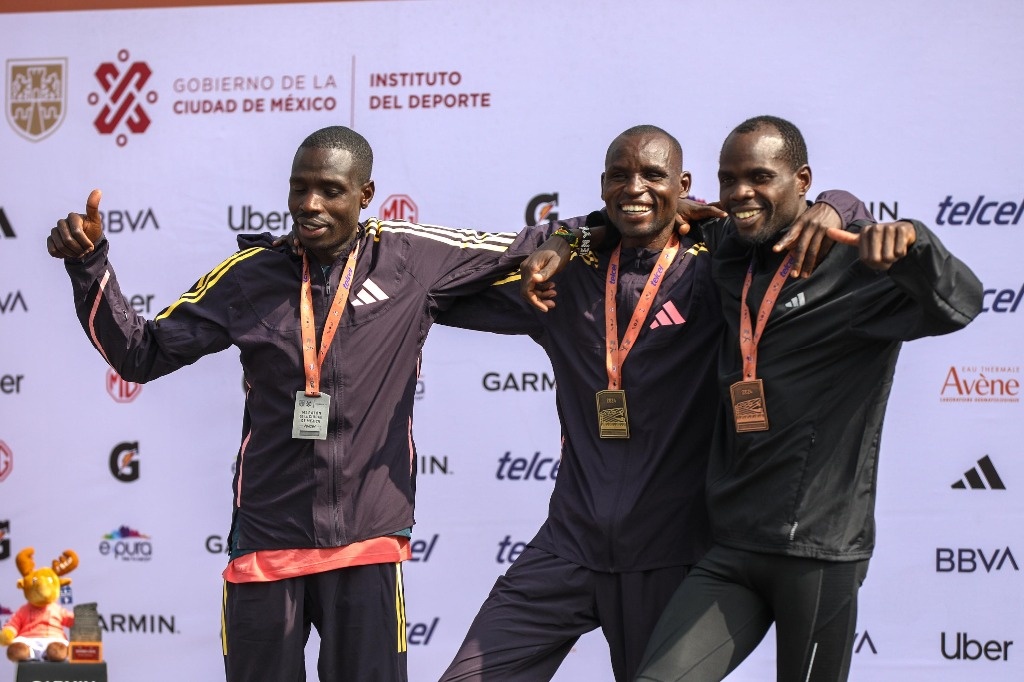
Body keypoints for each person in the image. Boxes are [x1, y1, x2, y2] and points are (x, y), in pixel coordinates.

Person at [44, 126, 586, 682]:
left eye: (329, 189)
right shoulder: (249, 277)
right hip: (267, 545)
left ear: (365, 194)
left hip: (367, 548)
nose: (310, 204)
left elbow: (540, 241)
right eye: (298, 188)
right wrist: (89, 266)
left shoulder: (407, 259)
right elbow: (142, 354)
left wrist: (639, 223)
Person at [433, 125, 865, 682]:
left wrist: (834, 205)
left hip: (669, 558)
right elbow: (445, 281)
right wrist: (570, 236)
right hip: (567, 548)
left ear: (682, 185)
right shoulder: (567, 274)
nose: (634, 188)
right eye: (619, 176)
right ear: (602, 186)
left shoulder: (715, 269)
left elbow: (824, 218)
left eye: (653, 176)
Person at [633, 115, 983, 681]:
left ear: (801, 181)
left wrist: (915, 241)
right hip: (731, 546)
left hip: (818, 552)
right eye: (728, 179)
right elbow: (641, 212)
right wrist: (561, 238)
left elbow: (960, 305)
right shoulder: (728, 249)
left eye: (759, 177)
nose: (740, 192)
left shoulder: (859, 268)